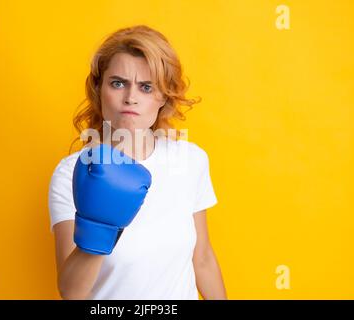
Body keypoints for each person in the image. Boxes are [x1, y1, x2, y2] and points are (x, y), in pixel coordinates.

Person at [48, 25, 227, 300]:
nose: (131, 97)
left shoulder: (190, 160)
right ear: (98, 89)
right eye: (118, 83)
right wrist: (99, 228)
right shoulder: (72, 172)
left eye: (146, 87)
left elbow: (202, 258)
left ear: (163, 97)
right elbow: (71, 292)